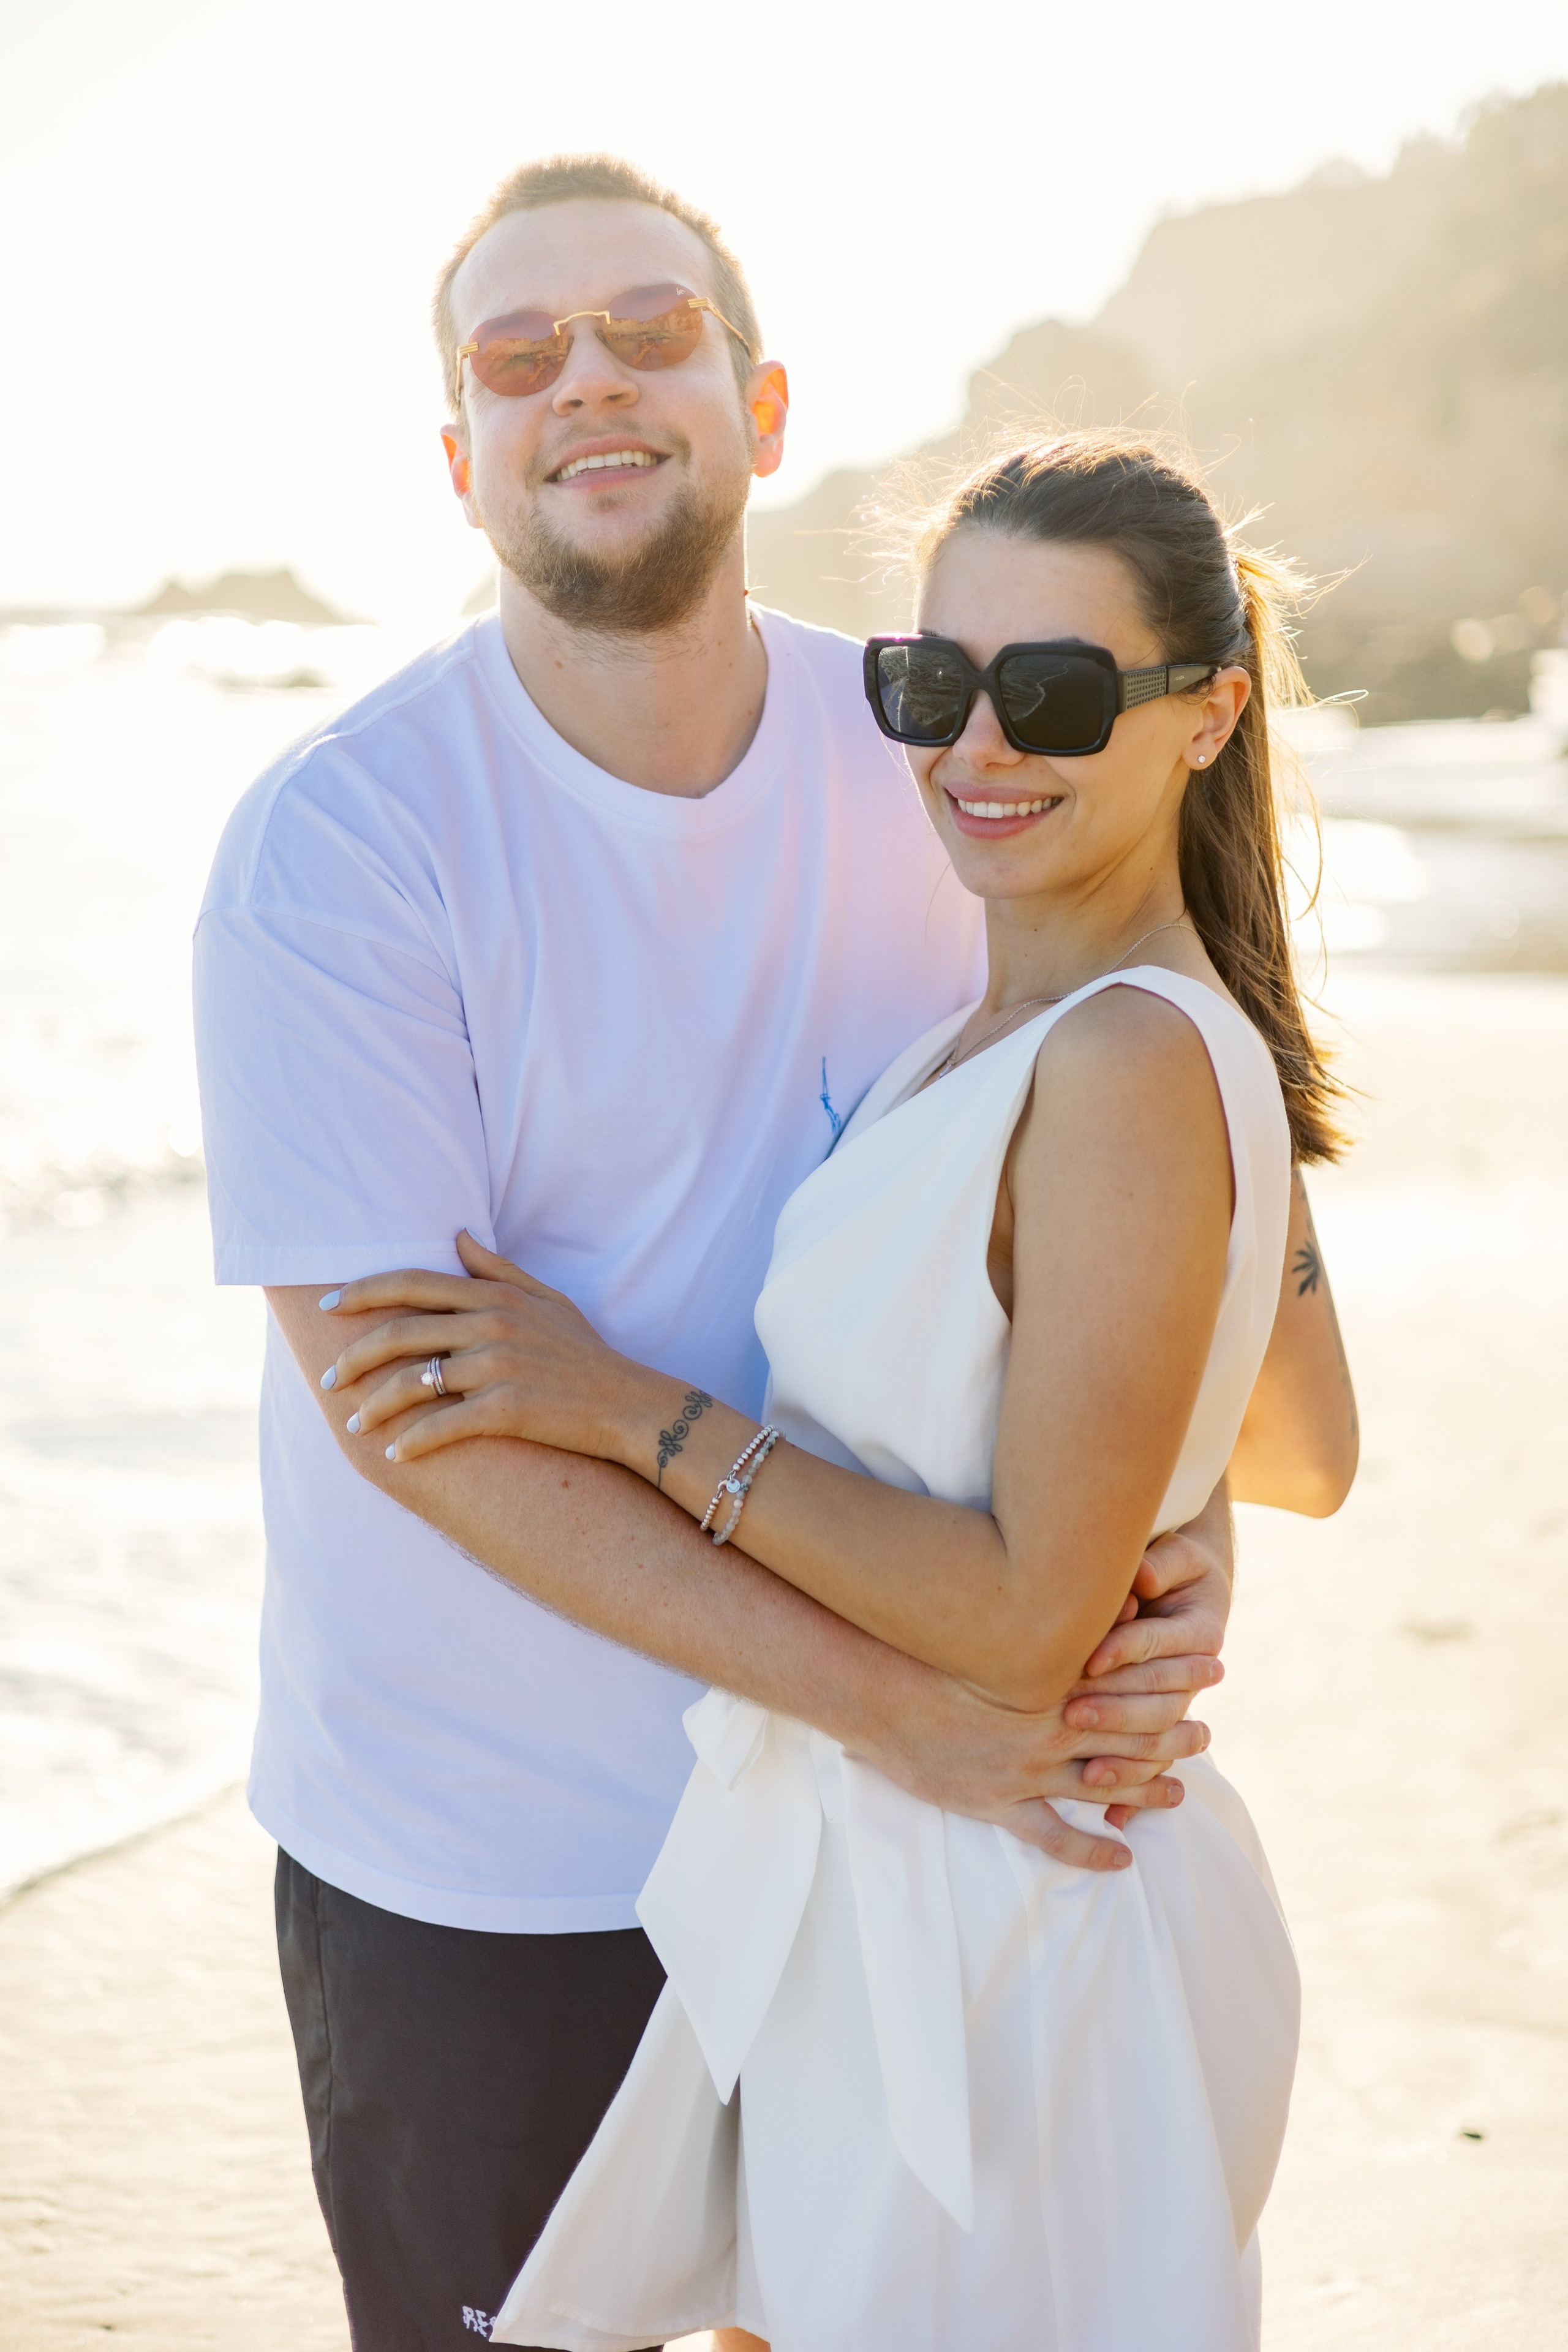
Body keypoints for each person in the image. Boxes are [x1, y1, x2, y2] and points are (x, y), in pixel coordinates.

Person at [193, 157, 1356, 2351]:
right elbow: (416, 1415)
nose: (587, 382)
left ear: (763, 403)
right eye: (518, 355)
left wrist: (1160, 1520)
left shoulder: (946, 752)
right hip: (499, 1868)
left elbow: (1174, 1226)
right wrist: (929, 1704)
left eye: (650, 331)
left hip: (892, 1862)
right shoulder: (340, 847)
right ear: (459, 454)